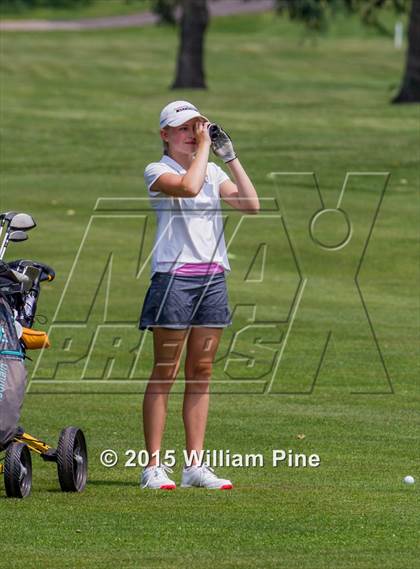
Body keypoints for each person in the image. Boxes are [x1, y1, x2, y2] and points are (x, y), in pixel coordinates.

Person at [139, 100, 259, 490]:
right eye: (185, 128)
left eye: (198, 127)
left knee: (201, 373)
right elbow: (188, 189)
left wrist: (232, 158)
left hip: (212, 280)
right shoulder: (158, 171)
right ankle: (153, 466)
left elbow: (251, 205)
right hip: (173, 279)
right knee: (166, 372)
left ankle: (194, 466)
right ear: (165, 135)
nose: (193, 134)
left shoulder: (210, 169)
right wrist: (206, 149)